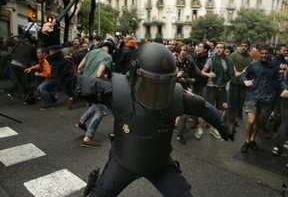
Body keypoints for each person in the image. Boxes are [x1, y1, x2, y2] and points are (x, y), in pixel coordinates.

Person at [41, 20, 235, 197]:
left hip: (159, 165)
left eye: (164, 85)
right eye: (151, 84)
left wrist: (223, 127)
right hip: (124, 163)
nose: (158, 92)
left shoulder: (177, 97)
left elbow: (204, 107)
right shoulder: (117, 91)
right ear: (134, 75)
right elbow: (72, 84)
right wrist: (54, 48)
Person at [240, 44, 287, 153]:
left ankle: (252, 139)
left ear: (270, 54)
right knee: (251, 121)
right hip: (252, 96)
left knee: (259, 123)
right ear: (259, 53)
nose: (264, 55)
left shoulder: (274, 67)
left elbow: (280, 80)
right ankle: (247, 141)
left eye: (266, 53)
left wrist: (285, 88)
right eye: (262, 53)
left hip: (266, 98)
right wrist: (244, 81)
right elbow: (244, 75)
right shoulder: (253, 64)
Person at [76, 38, 113, 147]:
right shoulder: (108, 57)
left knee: (97, 105)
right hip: (94, 86)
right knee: (100, 111)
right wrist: (105, 76)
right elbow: (99, 74)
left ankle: (82, 121)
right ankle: (88, 138)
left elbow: (79, 67)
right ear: (111, 48)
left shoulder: (91, 52)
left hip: (83, 84)